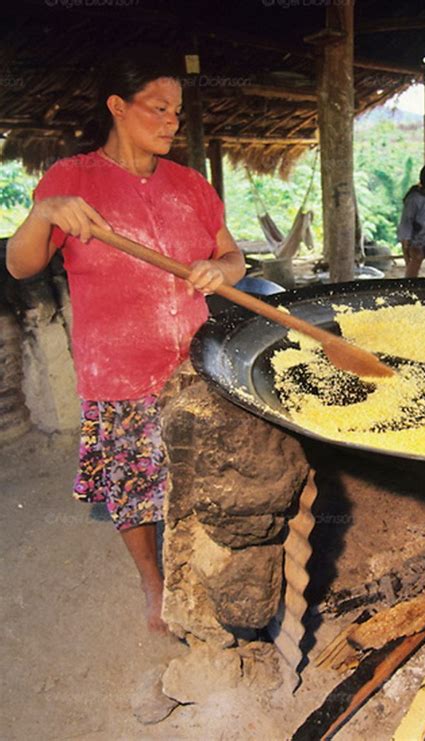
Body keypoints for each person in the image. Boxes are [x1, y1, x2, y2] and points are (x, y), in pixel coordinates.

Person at [6, 49, 246, 634]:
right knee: (132, 486)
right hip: (117, 368)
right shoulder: (73, 179)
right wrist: (45, 212)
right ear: (118, 106)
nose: (172, 121)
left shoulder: (190, 184)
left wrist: (224, 271)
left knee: (202, 477)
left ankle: (200, 568)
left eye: (177, 111)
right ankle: (152, 581)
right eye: (159, 108)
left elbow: (233, 254)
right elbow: (20, 266)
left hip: (193, 363)